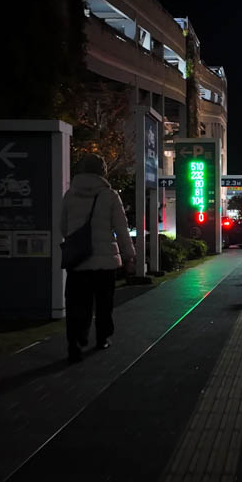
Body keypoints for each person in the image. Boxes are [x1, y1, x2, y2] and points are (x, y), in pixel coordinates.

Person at [59, 153, 135, 362]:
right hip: (105, 261)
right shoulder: (110, 195)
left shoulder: (70, 195)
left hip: (78, 260)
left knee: (77, 304)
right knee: (104, 303)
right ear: (103, 171)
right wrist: (129, 255)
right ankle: (102, 337)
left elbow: (62, 227)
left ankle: (75, 342)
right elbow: (121, 229)